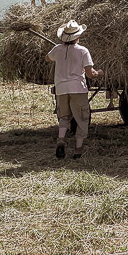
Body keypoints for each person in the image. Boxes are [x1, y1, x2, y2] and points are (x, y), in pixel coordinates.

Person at [47, 20, 104, 159]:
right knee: (82, 118)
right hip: (77, 88)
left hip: (61, 88)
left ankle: (61, 140)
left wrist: (59, 51)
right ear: (77, 36)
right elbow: (90, 73)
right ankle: (78, 150)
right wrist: (99, 73)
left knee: (64, 116)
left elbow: (47, 58)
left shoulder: (57, 49)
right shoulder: (83, 51)